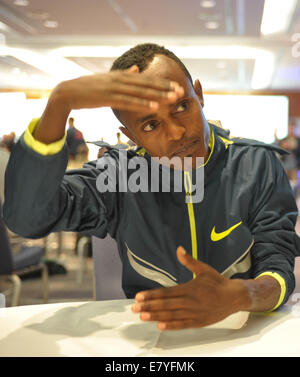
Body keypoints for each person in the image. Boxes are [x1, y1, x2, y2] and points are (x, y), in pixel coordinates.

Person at [3, 43, 300, 331]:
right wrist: (59, 102)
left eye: (182, 106)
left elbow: (277, 265)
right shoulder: (120, 176)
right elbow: (28, 219)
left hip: (245, 331)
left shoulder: (256, 165)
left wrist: (240, 295)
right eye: (150, 125)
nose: (177, 133)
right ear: (130, 135)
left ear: (199, 94)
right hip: (152, 336)